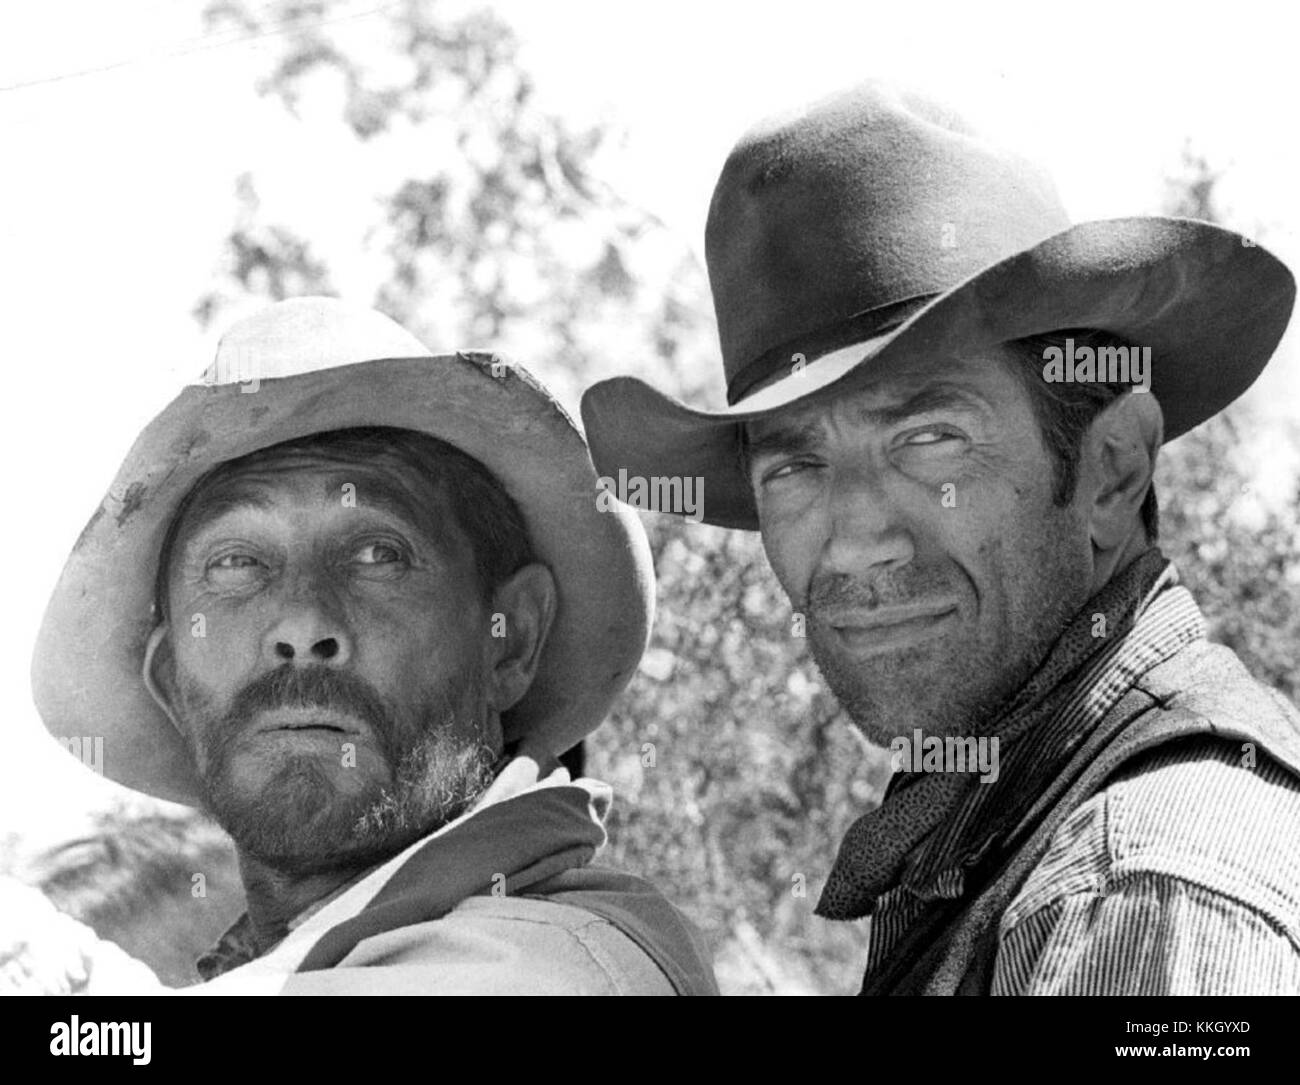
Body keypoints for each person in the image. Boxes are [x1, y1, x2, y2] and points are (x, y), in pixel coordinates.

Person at [580, 81, 1300, 994]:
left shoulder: (1144, 897)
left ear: (1113, 470)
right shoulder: (1026, 826)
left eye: (929, 439)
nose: (852, 544)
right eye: (795, 467)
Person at [30, 296, 718, 995]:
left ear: (511, 641)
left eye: (377, 553)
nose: (300, 623)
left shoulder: (570, 965)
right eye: (237, 563)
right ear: (171, 680)